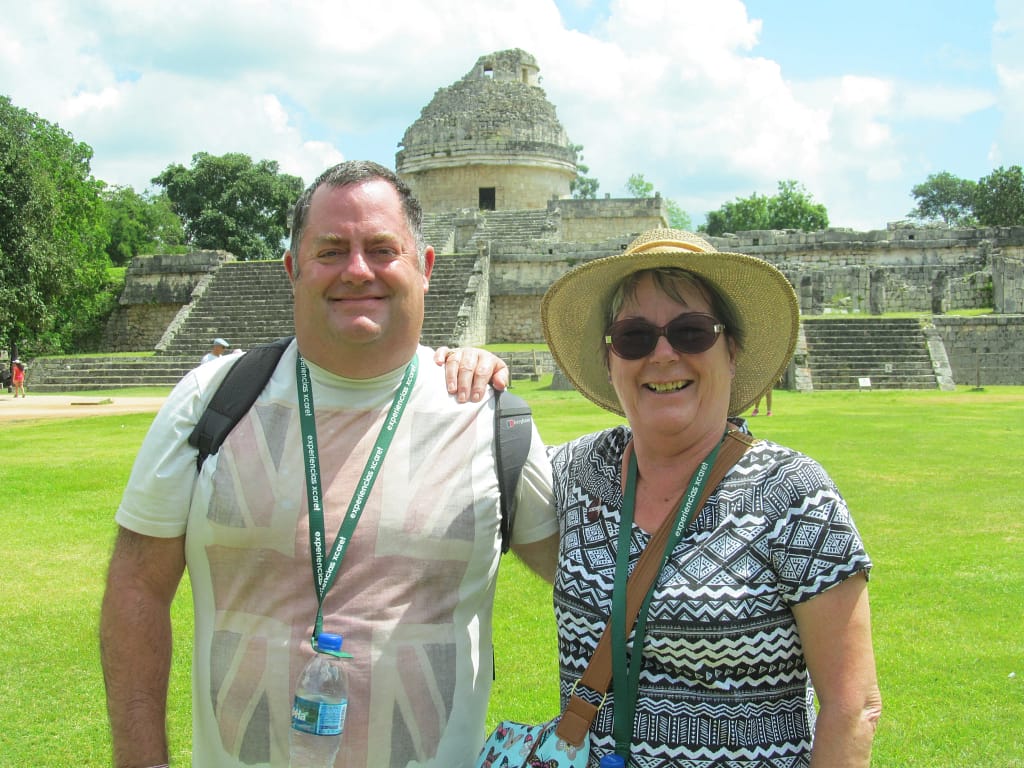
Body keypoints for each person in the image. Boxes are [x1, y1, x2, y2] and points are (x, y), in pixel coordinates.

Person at [100, 160, 558, 768]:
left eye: (382, 248)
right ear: (292, 269)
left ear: (425, 267)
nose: (357, 270)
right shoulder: (210, 401)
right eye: (331, 250)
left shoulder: (487, 418)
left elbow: (597, 587)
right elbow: (137, 584)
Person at [540, 228, 881, 767]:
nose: (663, 354)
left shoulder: (792, 493)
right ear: (611, 360)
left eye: (692, 332)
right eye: (634, 337)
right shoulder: (576, 472)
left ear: (733, 350)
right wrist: (466, 373)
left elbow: (852, 706)